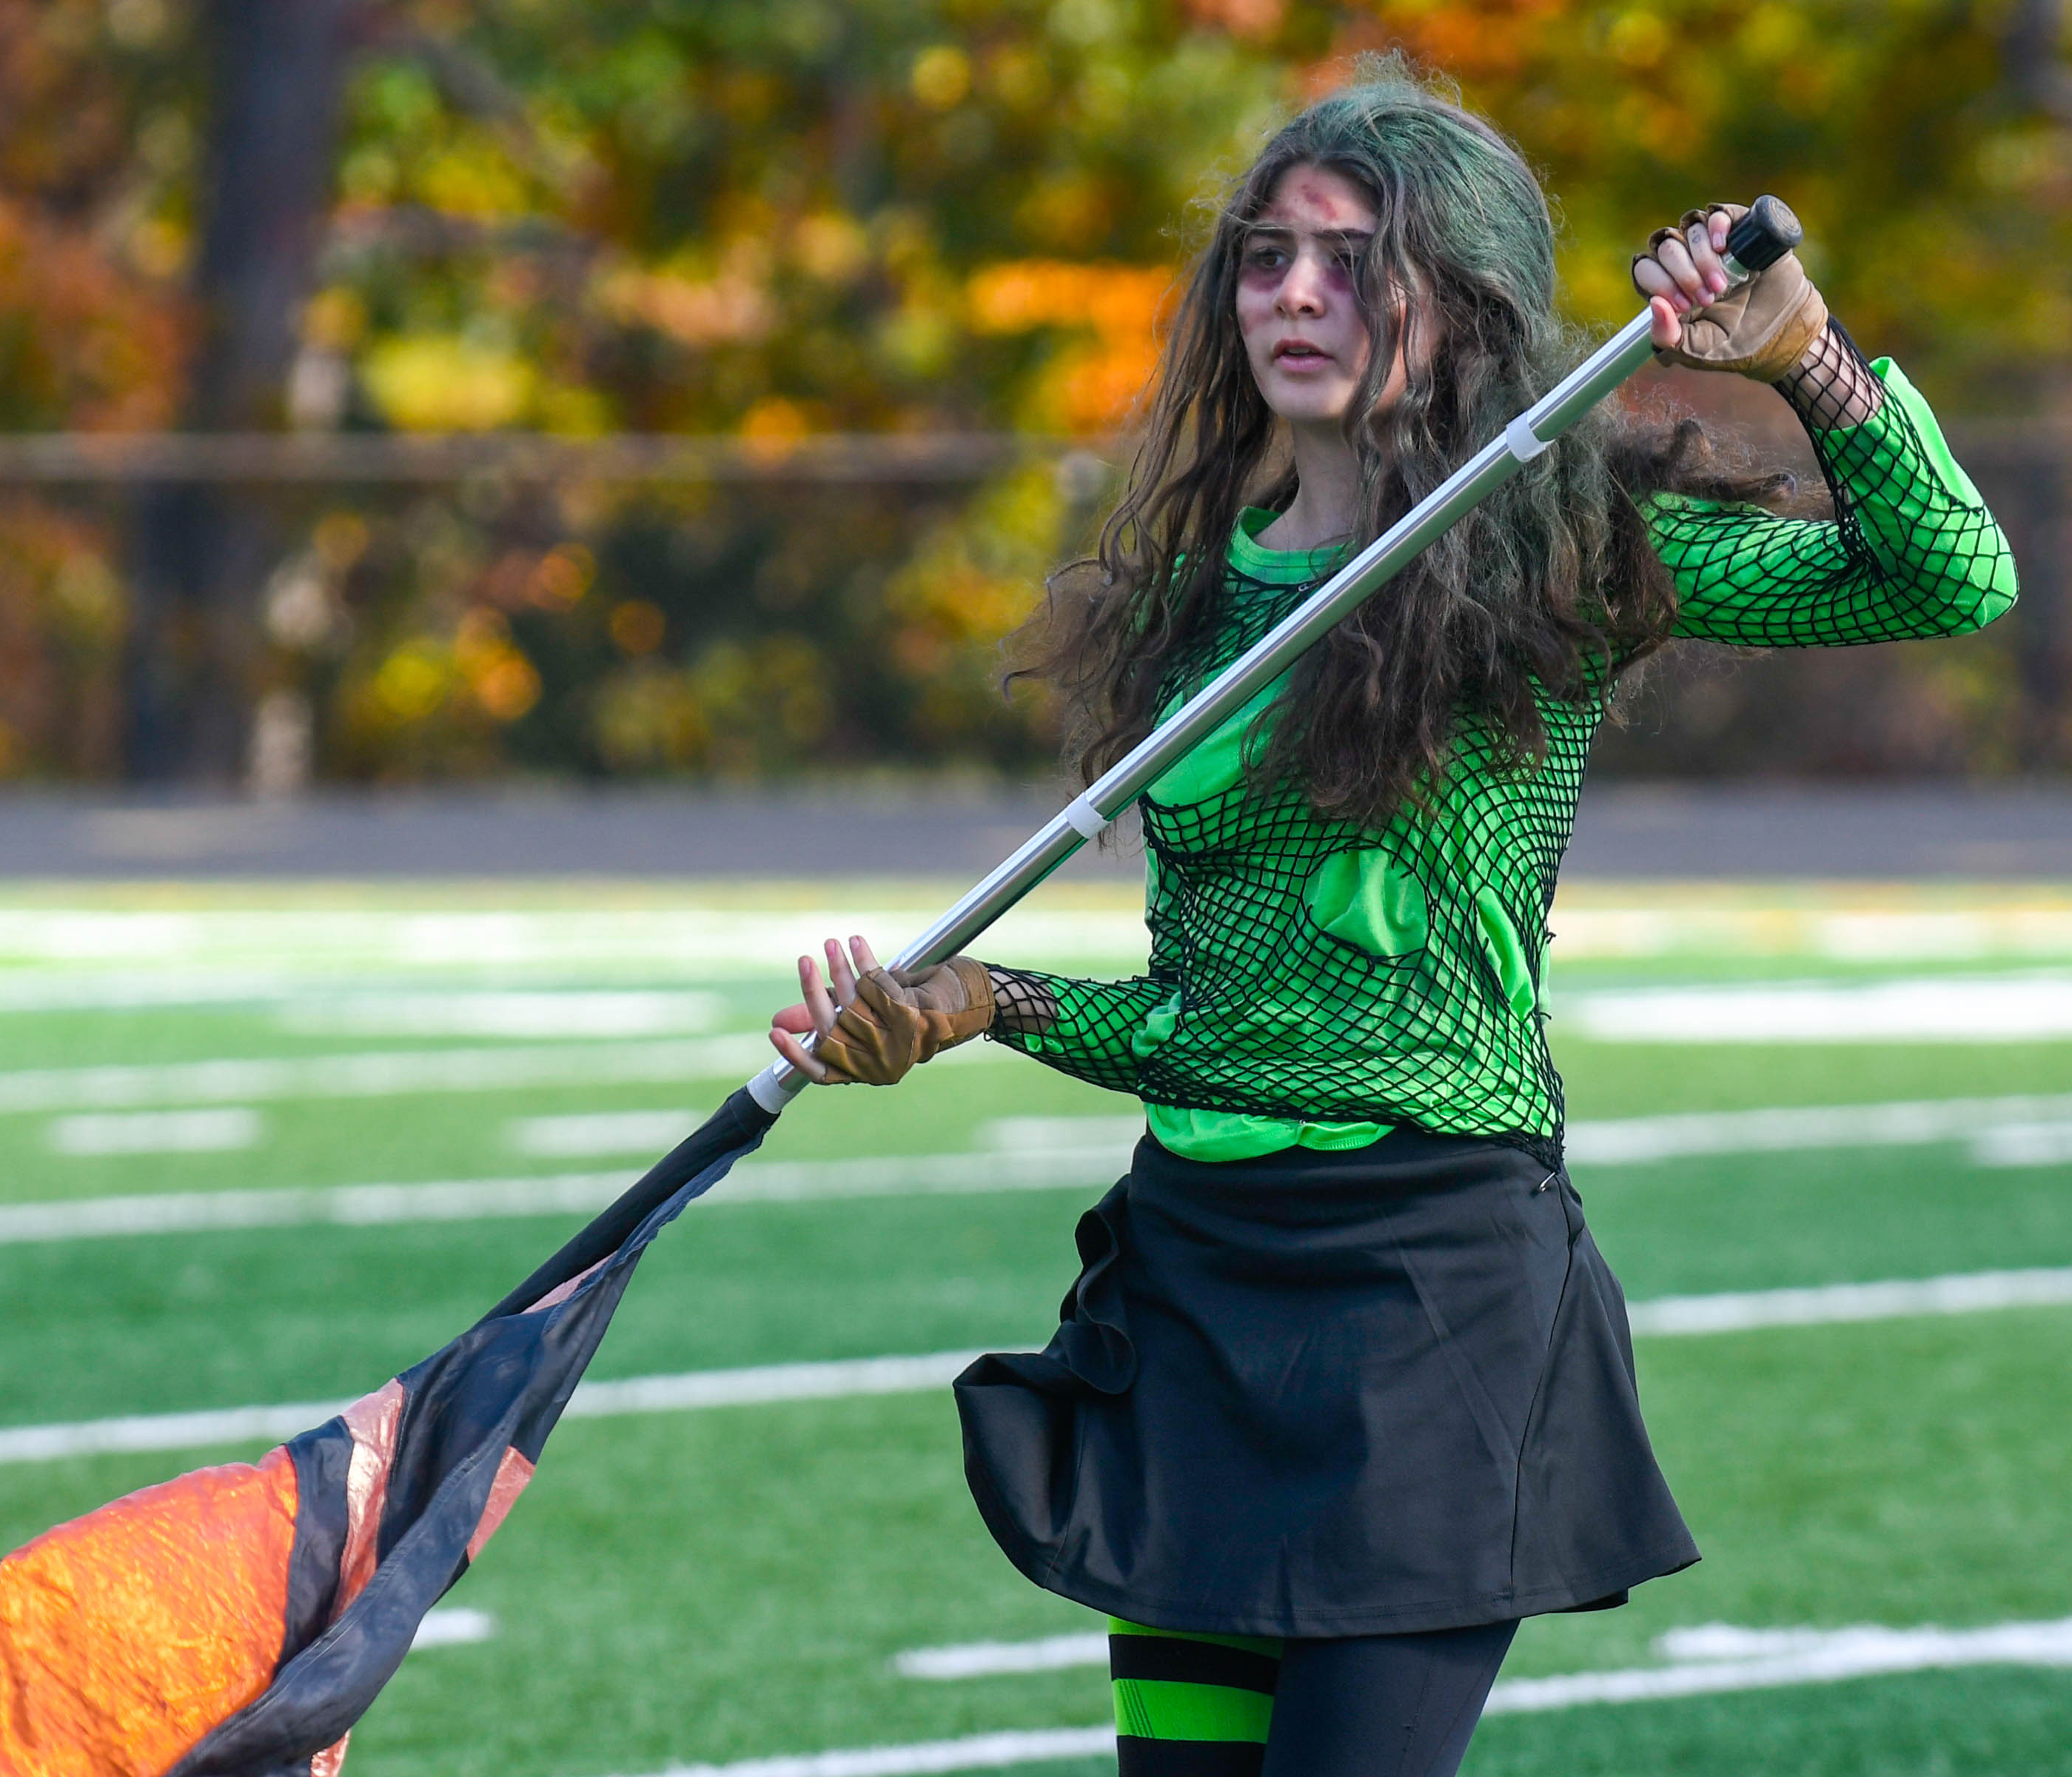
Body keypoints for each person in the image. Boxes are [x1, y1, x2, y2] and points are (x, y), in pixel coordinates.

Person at [768, 66, 2016, 1777]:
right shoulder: (1194, 603)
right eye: (1267, 256)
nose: (1294, 292)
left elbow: (1956, 576)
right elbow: (1226, 1018)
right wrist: (984, 1005)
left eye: (1352, 263)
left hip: (1431, 1289)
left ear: (1466, 302)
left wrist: (1804, 355)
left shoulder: (1563, 560)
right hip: (1197, 1286)